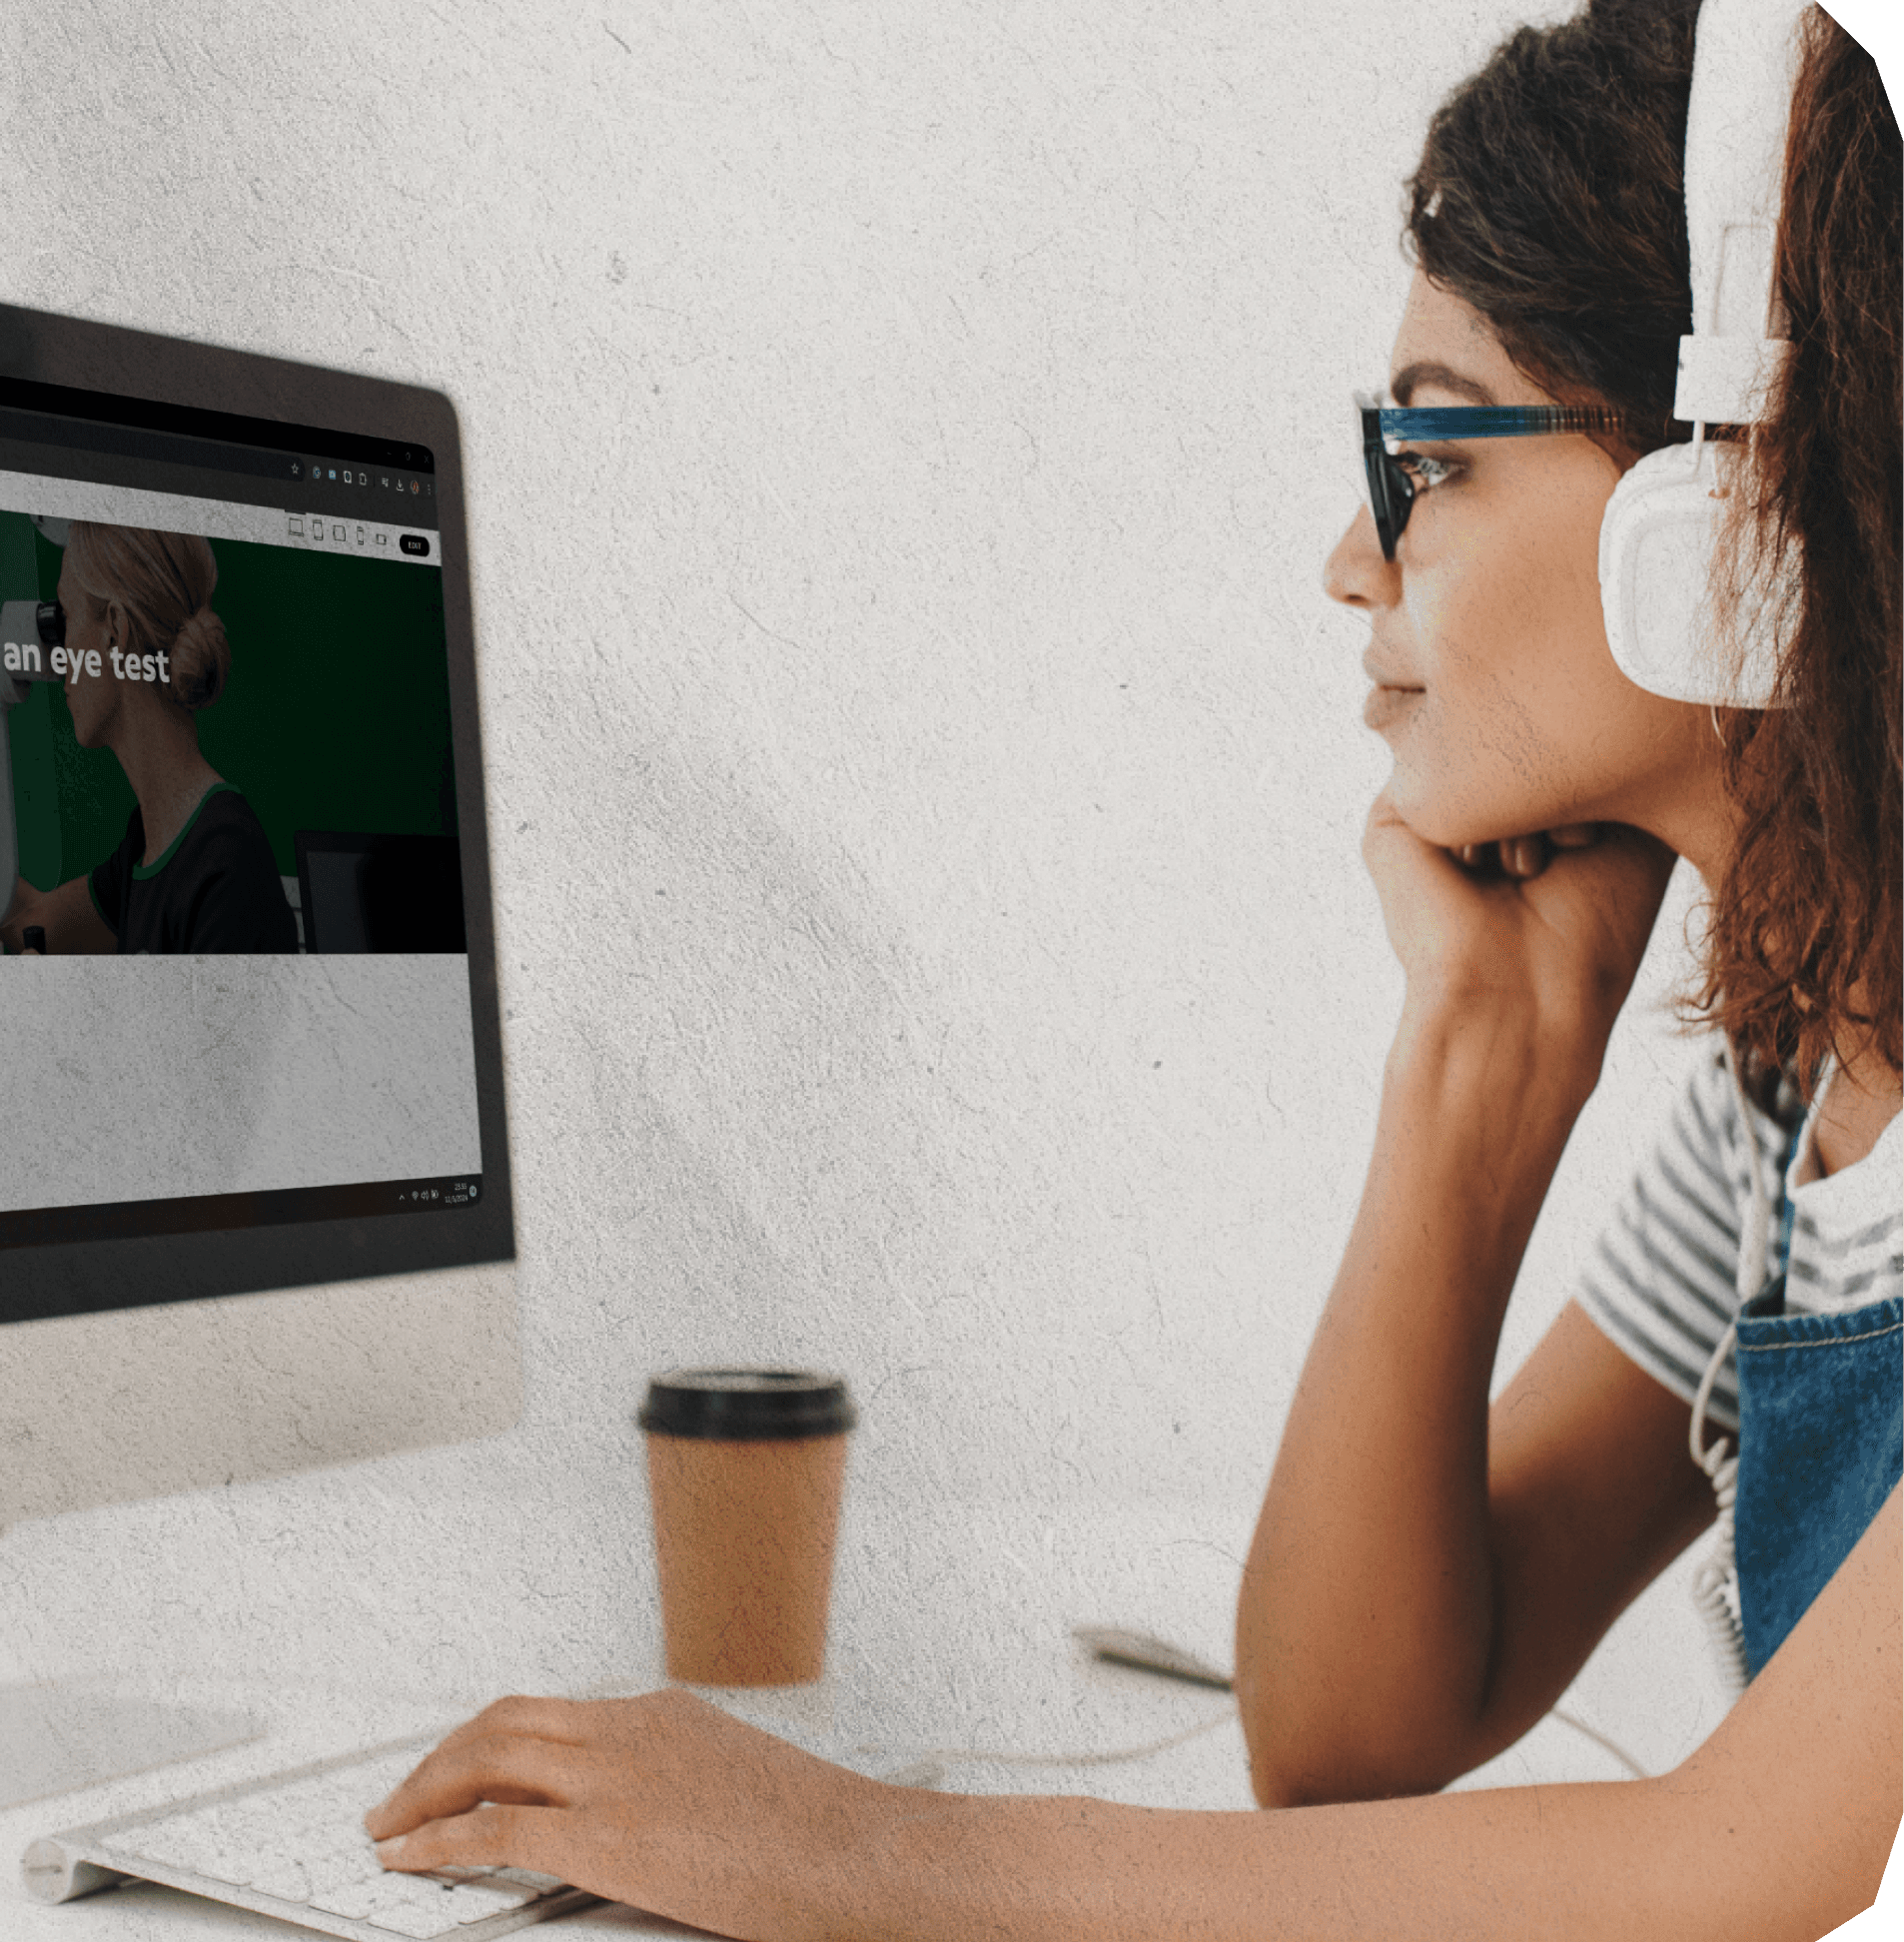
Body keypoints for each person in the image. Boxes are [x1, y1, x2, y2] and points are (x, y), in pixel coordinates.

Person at [360, 4, 1902, 1934]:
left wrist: (871, 1855)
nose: (1355, 556)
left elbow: (1742, 1858)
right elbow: (1346, 1734)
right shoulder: (1790, 1111)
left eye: (1426, 448)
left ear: (1726, 506)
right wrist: (1475, 1065)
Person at [0, 522, 295, 955]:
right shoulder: (148, 847)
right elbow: (29, 922)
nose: (58, 659)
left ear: (114, 630)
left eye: (65, 617)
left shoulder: (225, 866)